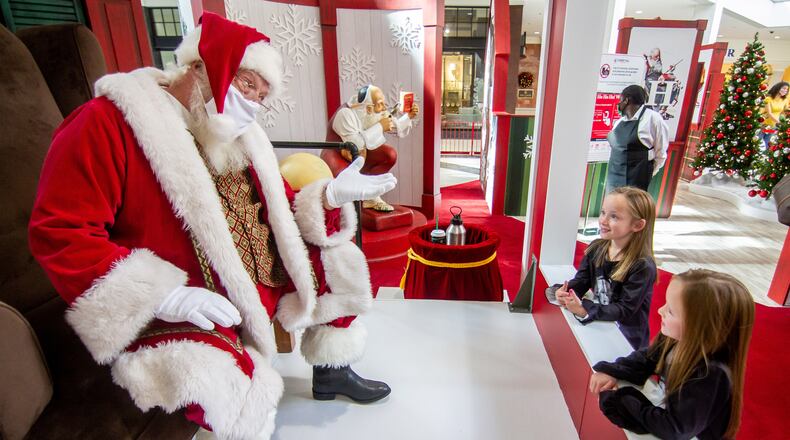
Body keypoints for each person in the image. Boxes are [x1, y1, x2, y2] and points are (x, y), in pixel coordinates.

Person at [28, 13, 395, 439]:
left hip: (263, 268)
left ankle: (332, 371)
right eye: (246, 83)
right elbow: (60, 232)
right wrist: (164, 295)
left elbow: (278, 205)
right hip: (195, 288)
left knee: (337, 262)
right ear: (199, 65)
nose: (254, 103)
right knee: (224, 378)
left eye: (262, 95)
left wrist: (329, 196)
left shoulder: (238, 134)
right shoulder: (109, 122)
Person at [588, 269, 755, 440]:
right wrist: (613, 371)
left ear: (703, 328)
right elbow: (647, 358)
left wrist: (621, 399)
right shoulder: (673, 339)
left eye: (671, 311)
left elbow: (673, 428)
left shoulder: (710, 374)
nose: (660, 310)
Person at [556, 187, 657, 349]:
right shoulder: (596, 248)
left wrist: (585, 309)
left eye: (614, 216)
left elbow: (625, 309)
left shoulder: (642, 266)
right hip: (600, 325)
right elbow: (582, 281)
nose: (603, 220)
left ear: (637, 225)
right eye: (603, 212)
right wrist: (564, 291)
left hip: (625, 340)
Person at [329, 84, 419, 212]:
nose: (383, 108)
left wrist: (408, 116)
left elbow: (392, 125)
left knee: (388, 155)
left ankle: (371, 197)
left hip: (360, 156)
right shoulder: (345, 114)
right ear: (369, 108)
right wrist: (380, 127)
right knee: (344, 191)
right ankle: (350, 210)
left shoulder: (370, 113)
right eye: (380, 104)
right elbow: (354, 144)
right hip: (337, 157)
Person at [606, 84, 669, 192]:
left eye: (620, 100)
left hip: (636, 180)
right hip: (613, 176)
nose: (619, 104)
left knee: (630, 207)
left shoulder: (653, 119)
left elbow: (660, 154)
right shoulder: (620, 122)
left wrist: (647, 173)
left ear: (626, 100)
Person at [762, 81, 789, 147]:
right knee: (759, 141)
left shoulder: (785, 100)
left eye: (787, 89)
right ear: (778, 88)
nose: (785, 91)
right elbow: (769, 113)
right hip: (765, 124)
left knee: (768, 142)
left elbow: (786, 111)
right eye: (784, 88)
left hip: (774, 126)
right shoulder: (768, 99)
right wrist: (779, 122)